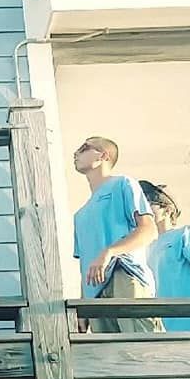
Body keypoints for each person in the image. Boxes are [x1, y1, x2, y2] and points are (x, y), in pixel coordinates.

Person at [71, 135, 160, 334]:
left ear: (103, 156)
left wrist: (109, 252)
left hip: (125, 274)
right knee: (109, 360)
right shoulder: (80, 215)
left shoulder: (123, 184)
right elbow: (86, 263)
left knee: (140, 351)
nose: (76, 152)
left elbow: (149, 230)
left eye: (85, 147)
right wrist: (83, 307)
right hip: (95, 293)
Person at [141, 181, 190, 333]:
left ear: (167, 210)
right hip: (158, 331)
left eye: (150, 202)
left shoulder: (186, 233)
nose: (145, 208)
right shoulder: (145, 247)